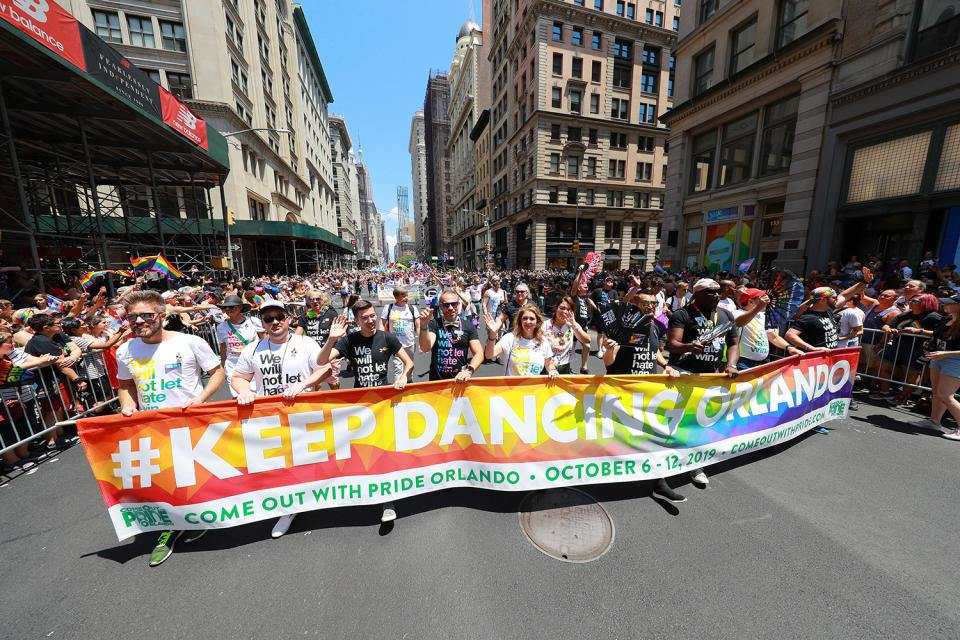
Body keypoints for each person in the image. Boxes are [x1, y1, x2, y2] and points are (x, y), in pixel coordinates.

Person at [115, 290, 225, 567]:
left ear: (162, 317)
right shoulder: (124, 350)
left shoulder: (191, 342)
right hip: (151, 426)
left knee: (193, 477)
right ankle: (169, 530)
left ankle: (196, 518)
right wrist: (127, 406)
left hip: (190, 424)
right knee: (162, 481)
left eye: (146, 315)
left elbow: (217, 373)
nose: (139, 321)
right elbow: (126, 385)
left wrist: (200, 400)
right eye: (133, 317)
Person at [232, 300, 331, 538]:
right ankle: (288, 508)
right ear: (263, 323)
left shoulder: (305, 343)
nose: (274, 322)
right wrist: (244, 390)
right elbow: (239, 377)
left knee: (312, 458)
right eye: (268, 319)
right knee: (280, 464)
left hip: (303, 413)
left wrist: (303, 384)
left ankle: (323, 495)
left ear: (288, 319)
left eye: (279, 317)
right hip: (270, 416)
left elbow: (324, 369)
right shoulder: (253, 348)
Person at [320, 301, 413, 523]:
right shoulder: (348, 341)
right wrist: (332, 338)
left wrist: (402, 376)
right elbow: (321, 361)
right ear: (356, 320)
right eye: (365, 318)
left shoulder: (387, 338)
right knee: (361, 451)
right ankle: (368, 489)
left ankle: (388, 501)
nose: (371, 321)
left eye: (373, 316)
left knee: (384, 450)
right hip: (360, 406)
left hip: (383, 404)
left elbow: (408, 363)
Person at [666, 278, 740, 487]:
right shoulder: (683, 314)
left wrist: (732, 364)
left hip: (711, 378)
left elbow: (733, 343)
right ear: (696, 294)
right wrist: (688, 346)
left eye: (718, 292)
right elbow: (673, 344)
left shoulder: (725, 315)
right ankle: (665, 462)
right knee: (678, 422)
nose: (716, 295)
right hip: (684, 375)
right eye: (710, 292)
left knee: (703, 423)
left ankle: (695, 465)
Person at [0, 330, 58, 471]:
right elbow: (17, 370)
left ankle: (23, 454)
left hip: (23, 397)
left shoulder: (10, 355)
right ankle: (12, 460)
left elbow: (28, 364)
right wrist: (41, 360)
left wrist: (41, 360)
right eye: (9, 342)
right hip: (4, 402)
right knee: (7, 432)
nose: (13, 344)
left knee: (27, 426)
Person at [871, 294, 942, 405]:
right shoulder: (905, 314)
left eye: (914, 300)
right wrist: (890, 329)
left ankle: (903, 397)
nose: (910, 302)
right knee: (883, 366)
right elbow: (886, 326)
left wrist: (919, 331)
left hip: (917, 348)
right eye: (910, 300)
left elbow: (940, 333)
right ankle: (885, 392)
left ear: (925, 303)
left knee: (911, 373)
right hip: (896, 345)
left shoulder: (933, 317)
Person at [909, 296, 960, 439]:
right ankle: (934, 421)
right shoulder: (947, 318)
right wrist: (924, 336)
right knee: (937, 392)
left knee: (946, 395)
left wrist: (946, 353)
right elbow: (937, 334)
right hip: (938, 357)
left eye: (950, 303)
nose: (945, 305)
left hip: (954, 361)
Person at [417, 289, 483, 382]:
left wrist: (469, 371)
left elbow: (479, 353)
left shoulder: (468, 325)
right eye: (446, 305)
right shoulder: (434, 324)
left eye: (454, 304)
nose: (451, 308)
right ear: (440, 306)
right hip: (437, 381)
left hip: (460, 380)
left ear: (458, 305)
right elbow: (425, 348)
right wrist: (423, 325)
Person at [484, 303, 559, 378]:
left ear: (537, 322)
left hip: (534, 388)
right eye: (525, 318)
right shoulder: (510, 338)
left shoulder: (543, 341)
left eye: (532, 319)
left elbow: (549, 364)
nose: (528, 321)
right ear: (520, 321)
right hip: (511, 388)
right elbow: (489, 354)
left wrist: (552, 370)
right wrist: (492, 334)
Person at [733, 289, 803, 369]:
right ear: (750, 302)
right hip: (743, 362)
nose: (767, 300)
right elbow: (739, 323)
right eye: (762, 297)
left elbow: (774, 337)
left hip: (764, 362)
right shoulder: (737, 313)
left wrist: (789, 348)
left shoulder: (764, 316)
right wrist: (758, 307)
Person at [215, 295, 264, 398]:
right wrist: (224, 367)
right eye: (225, 307)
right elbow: (223, 348)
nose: (228, 310)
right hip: (233, 364)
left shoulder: (253, 322)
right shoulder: (221, 327)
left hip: (253, 362)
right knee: (238, 395)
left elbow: (265, 340)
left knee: (257, 393)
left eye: (232, 307)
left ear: (240, 307)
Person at [296, 291, 341, 389]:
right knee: (317, 384)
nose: (315, 302)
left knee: (333, 383)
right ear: (308, 301)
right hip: (312, 355)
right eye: (312, 299)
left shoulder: (331, 314)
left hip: (330, 353)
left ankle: (337, 403)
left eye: (318, 299)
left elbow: (338, 331)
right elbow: (297, 335)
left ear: (322, 300)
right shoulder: (305, 316)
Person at [379, 287, 419, 385]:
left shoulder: (412, 308)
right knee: (398, 369)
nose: (406, 298)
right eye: (403, 296)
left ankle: (409, 385)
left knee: (409, 367)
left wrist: (421, 341)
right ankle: (398, 389)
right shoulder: (389, 308)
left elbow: (418, 325)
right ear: (396, 297)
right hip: (395, 345)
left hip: (410, 343)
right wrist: (383, 338)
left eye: (407, 296)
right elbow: (381, 323)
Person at [542, 296, 590, 374]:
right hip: (547, 367)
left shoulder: (572, 325)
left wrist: (574, 326)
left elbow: (587, 341)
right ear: (556, 308)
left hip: (565, 367)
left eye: (568, 309)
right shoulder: (544, 325)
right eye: (562, 308)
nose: (564, 312)